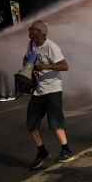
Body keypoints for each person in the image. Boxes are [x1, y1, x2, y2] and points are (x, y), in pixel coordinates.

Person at [24, 21, 73, 169]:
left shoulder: (51, 46)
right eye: (30, 29)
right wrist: (27, 69)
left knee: (55, 123)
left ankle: (66, 150)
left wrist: (45, 66)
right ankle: (42, 152)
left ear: (41, 33)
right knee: (31, 123)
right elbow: (27, 58)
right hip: (38, 90)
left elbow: (65, 66)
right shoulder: (31, 44)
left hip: (53, 90)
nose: (29, 32)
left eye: (32, 30)